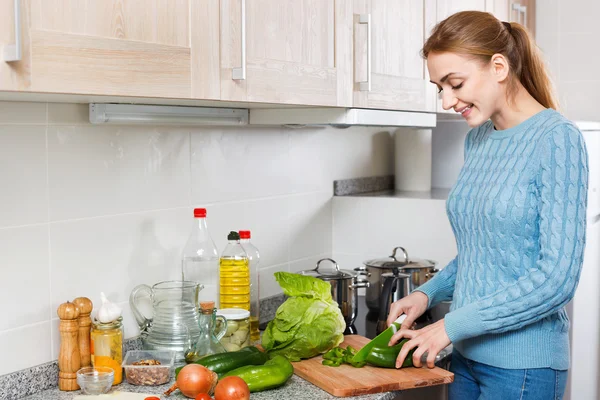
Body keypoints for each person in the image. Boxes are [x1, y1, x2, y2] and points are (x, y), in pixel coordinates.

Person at [386, 10, 588, 400]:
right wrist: (427, 294)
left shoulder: (557, 139)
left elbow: (557, 279)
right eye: (439, 87)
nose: (446, 101)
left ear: (499, 67)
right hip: (466, 356)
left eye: (455, 83)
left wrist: (450, 325)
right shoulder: (478, 139)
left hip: (524, 368)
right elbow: (486, 253)